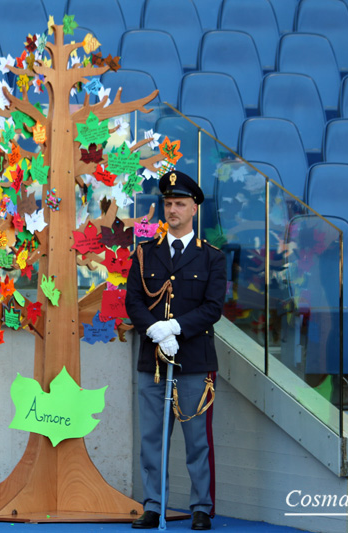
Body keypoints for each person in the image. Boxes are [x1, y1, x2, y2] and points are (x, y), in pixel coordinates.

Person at [125, 170, 227, 531]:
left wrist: (176, 327)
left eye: (180, 204)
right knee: (152, 436)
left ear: (194, 208)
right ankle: (154, 505)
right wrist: (153, 328)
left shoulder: (211, 258)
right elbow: (133, 300)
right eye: (168, 204)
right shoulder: (144, 254)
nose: (173, 210)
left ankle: (201, 506)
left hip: (194, 359)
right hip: (152, 360)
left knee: (197, 438)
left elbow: (214, 306)